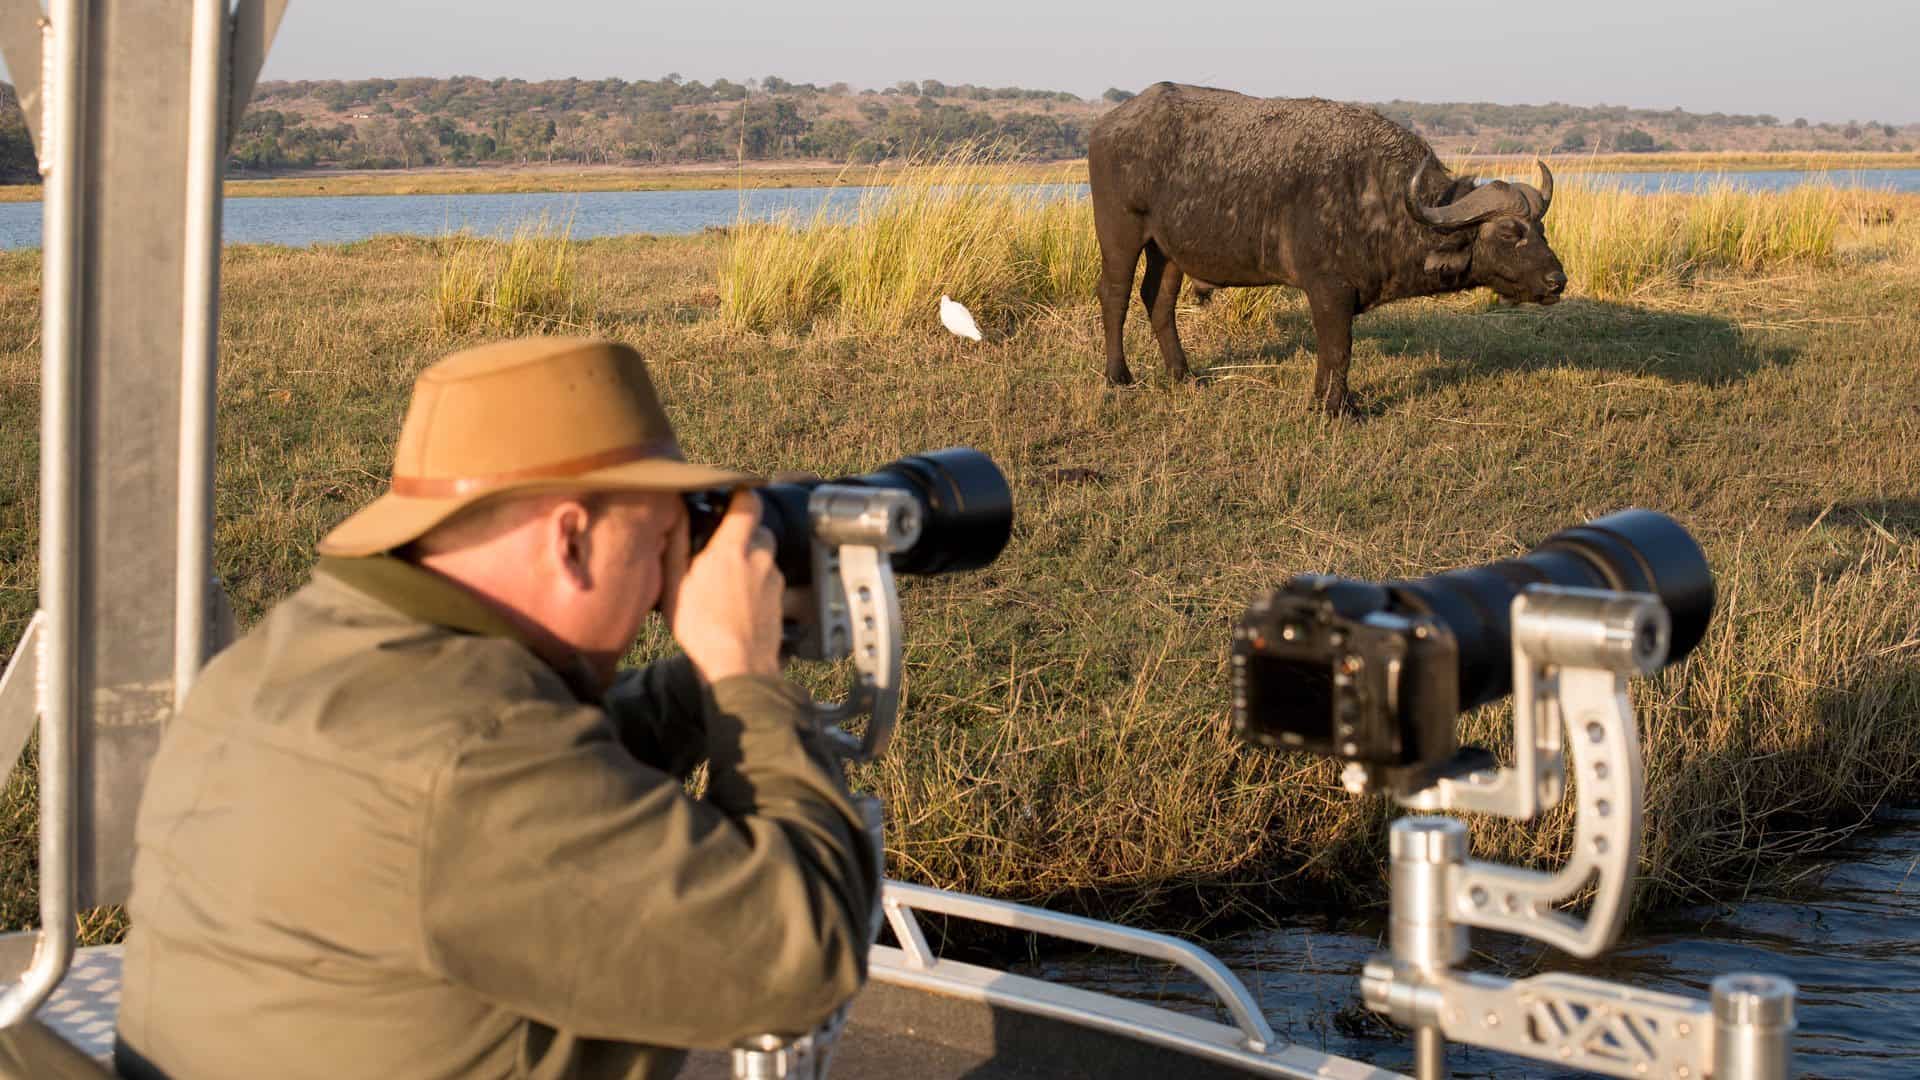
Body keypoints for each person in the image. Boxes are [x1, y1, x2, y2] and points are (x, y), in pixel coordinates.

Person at [114, 337, 879, 1080]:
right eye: (658, 546)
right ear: (571, 540)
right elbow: (800, 962)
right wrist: (741, 671)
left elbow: (557, 773)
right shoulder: (470, 761)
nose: (662, 589)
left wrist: (712, 672)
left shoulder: (293, 656)